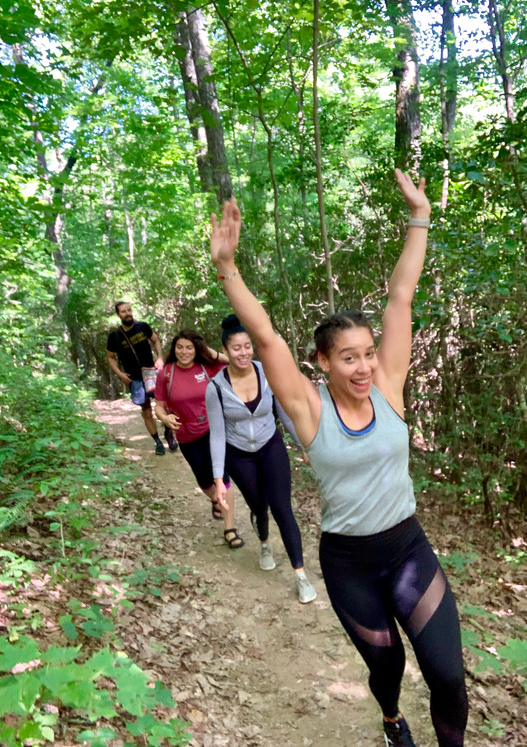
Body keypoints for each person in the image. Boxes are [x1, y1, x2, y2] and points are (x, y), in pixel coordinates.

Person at [209, 171, 468, 747]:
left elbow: (402, 295)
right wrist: (228, 269)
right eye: (347, 357)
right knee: (387, 669)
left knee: (448, 673)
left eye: (368, 354)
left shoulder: (390, 388)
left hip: (407, 549)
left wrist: (419, 216)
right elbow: (267, 337)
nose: (363, 367)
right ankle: (392, 718)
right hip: (349, 563)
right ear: (323, 363)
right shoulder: (308, 408)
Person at [205, 314, 317, 603]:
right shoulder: (215, 388)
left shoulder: (267, 374)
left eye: (247, 346)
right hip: (238, 456)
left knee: (283, 509)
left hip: (271, 447)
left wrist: (303, 443)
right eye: (236, 348)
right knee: (259, 506)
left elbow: (284, 413)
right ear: (226, 352)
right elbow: (217, 435)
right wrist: (219, 480)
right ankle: (265, 544)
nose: (243, 353)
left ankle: (300, 574)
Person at [154, 329, 243, 549]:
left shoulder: (207, 367)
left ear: (196, 350)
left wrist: (207, 351)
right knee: (204, 481)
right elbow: (158, 406)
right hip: (185, 435)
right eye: (180, 347)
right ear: (173, 349)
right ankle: (215, 499)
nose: (184, 352)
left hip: (214, 430)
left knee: (221, 477)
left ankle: (230, 529)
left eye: (189, 347)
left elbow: (231, 360)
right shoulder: (166, 373)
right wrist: (165, 418)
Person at [106, 301, 178, 456]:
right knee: (146, 411)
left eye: (129, 310)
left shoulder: (142, 327)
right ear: (118, 315)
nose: (127, 313)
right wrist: (119, 374)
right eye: (123, 311)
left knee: (164, 406)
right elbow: (110, 357)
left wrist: (159, 357)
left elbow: (156, 340)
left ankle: (169, 433)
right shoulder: (115, 336)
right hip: (135, 379)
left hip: (152, 374)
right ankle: (157, 442)